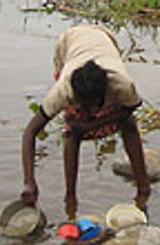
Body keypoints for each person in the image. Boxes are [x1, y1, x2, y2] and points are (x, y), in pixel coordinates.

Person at [21, 24, 150, 219]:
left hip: (103, 38)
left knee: (129, 125)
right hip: (68, 44)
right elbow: (30, 132)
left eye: (94, 106)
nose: (89, 111)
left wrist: (92, 125)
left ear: (104, 94)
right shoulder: (63, 91)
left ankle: (144, 188)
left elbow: (132, 106)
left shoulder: (120, 84)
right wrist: (29, 181)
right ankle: (70, 198)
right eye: (84, 105)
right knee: (73, 132)